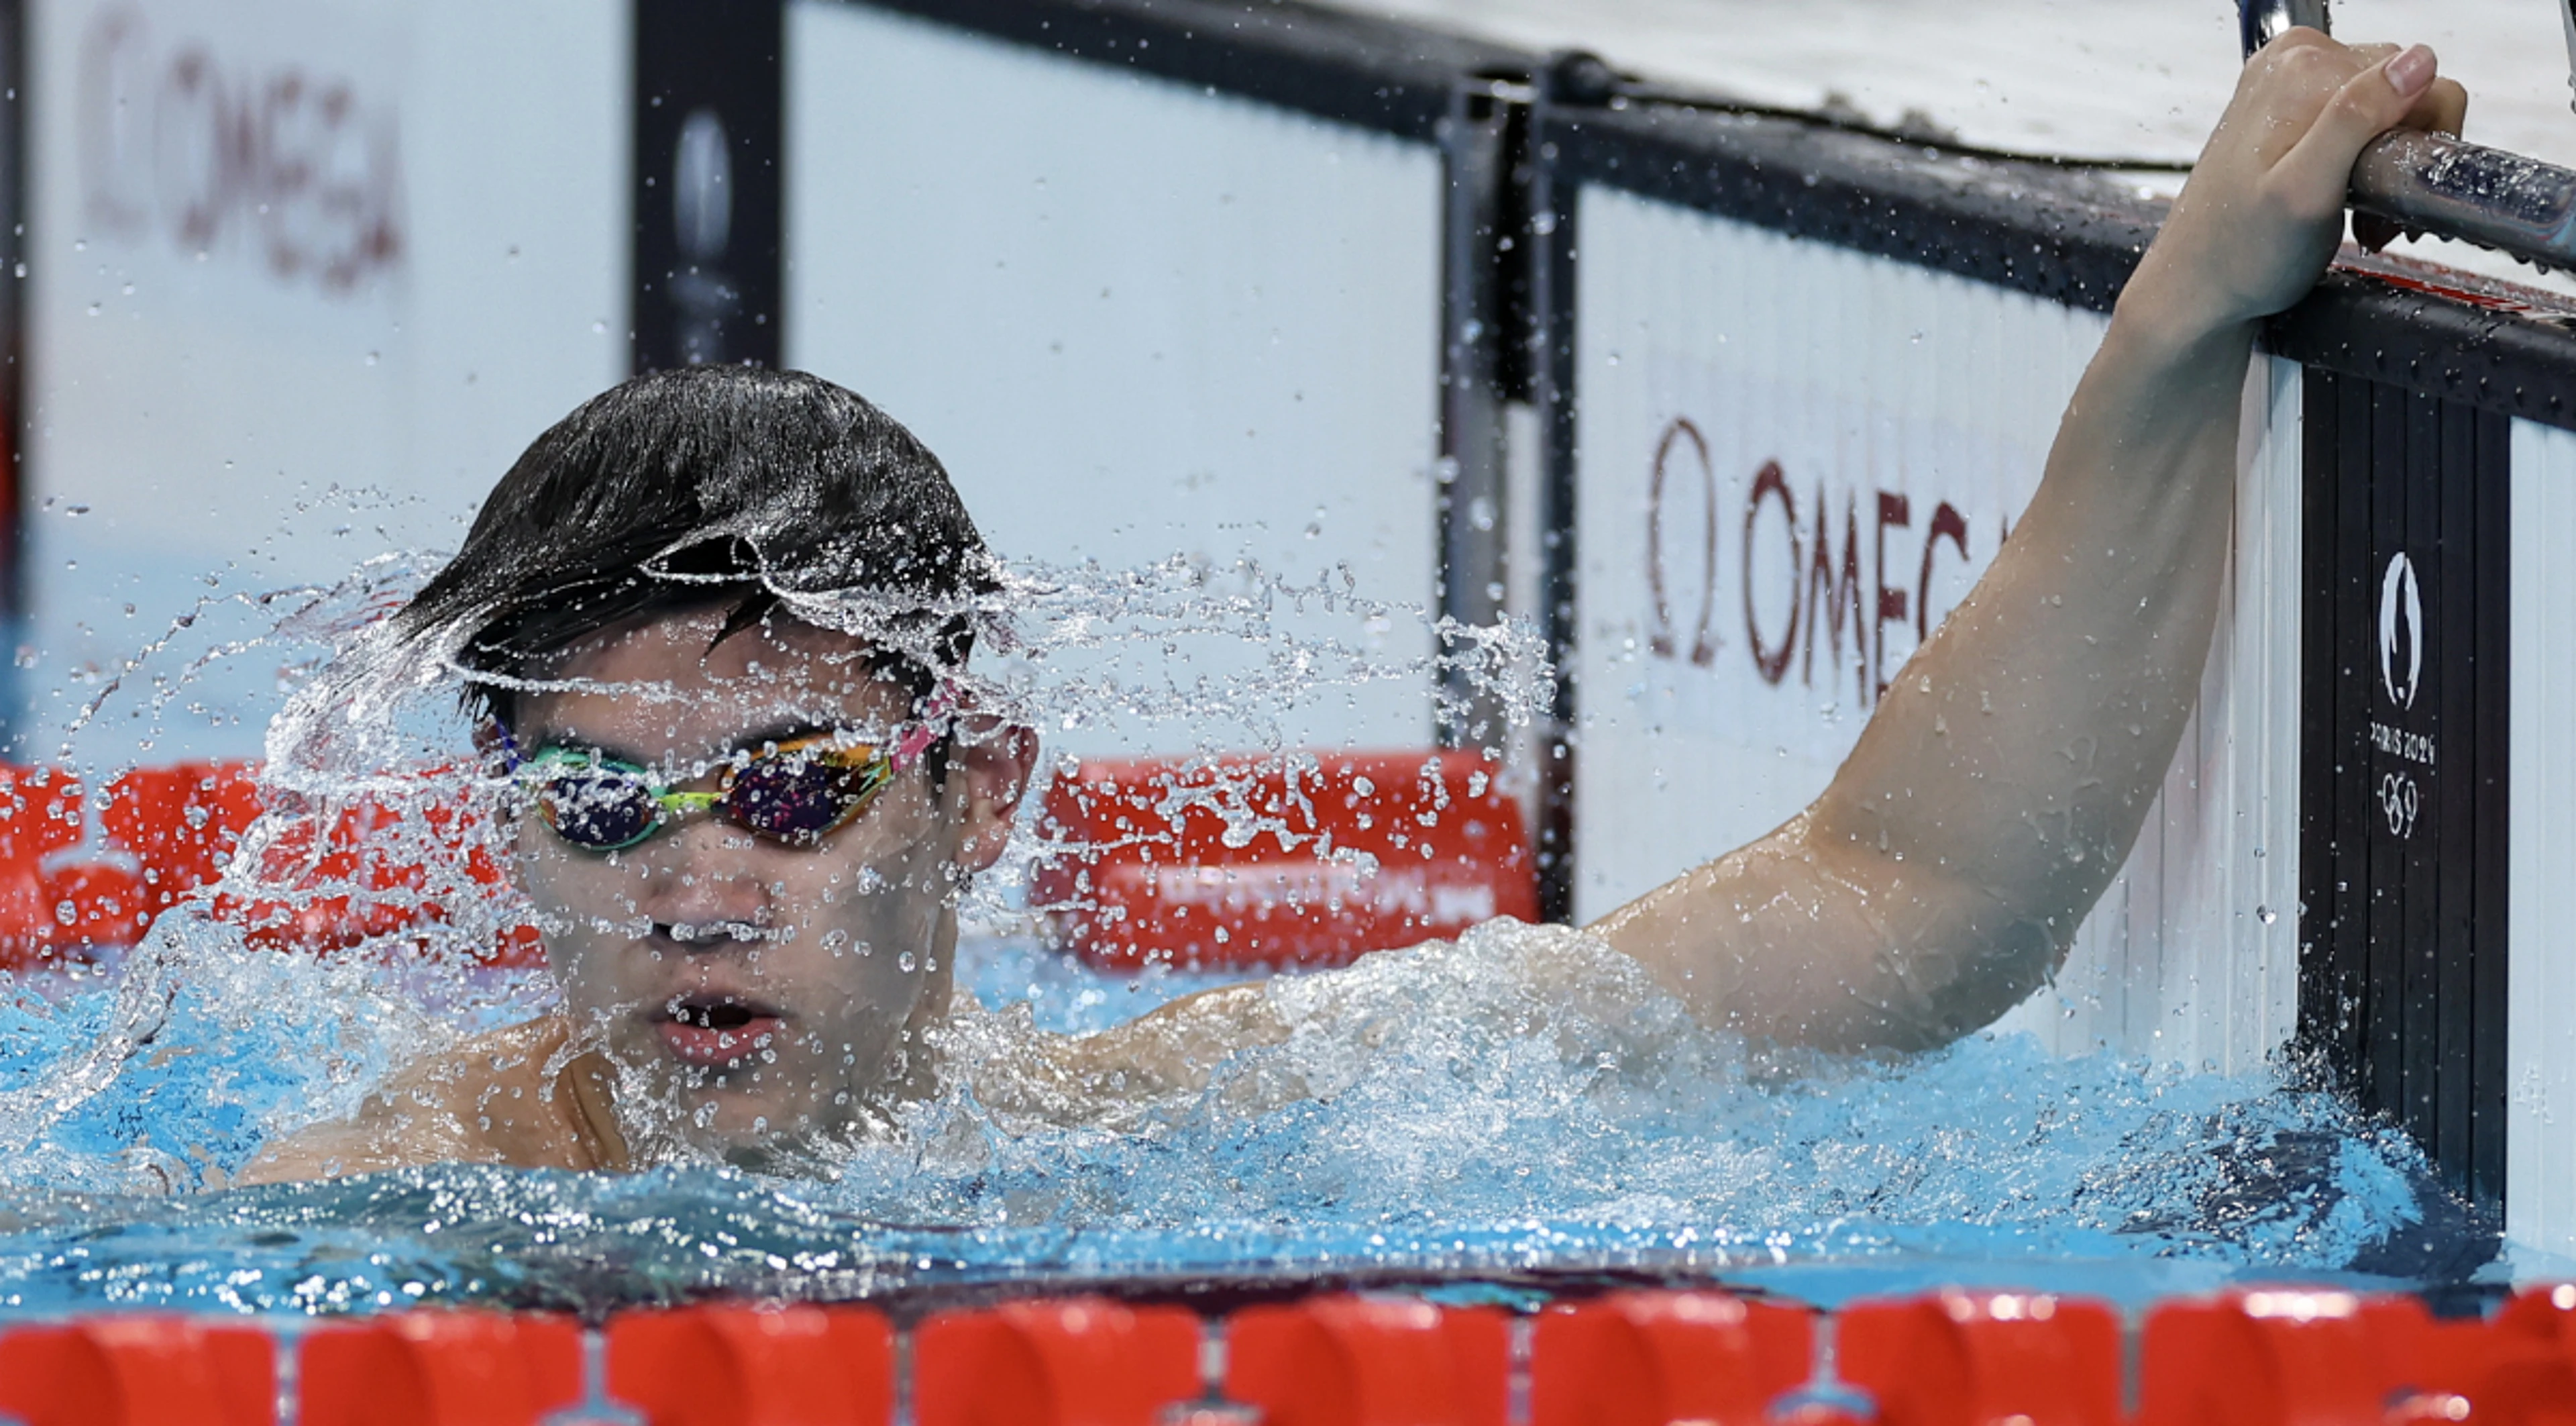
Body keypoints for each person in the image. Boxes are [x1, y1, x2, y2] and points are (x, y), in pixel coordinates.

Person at [238, 31, 2467, 1182]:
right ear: (503, 817)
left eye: (797, 790)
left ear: (979, 789)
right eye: (606, 811)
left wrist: (2183, 314)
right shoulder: (378, 1212)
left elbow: (1915, 900)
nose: (698, 895)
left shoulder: (1193, 1123)